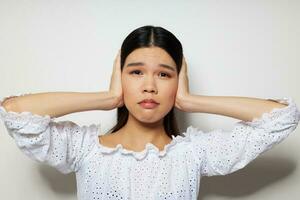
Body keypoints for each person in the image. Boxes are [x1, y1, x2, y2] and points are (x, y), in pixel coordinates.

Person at [0, 25, 300, 200]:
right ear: (120, 77)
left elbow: (283, 117)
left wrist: (190, 101)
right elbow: (14, 111)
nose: (149, 86)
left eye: (165, 75)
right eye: (135, 72)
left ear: (177, 83)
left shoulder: (194, 152)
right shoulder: (82, 148)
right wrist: (109, 97)